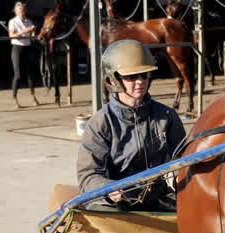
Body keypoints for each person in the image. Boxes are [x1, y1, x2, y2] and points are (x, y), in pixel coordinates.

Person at [76, 39, 187, 211]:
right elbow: (88, 175)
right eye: (131, 76)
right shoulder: (100, 123)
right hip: (117, 203)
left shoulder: (167, 116)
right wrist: (108, 188)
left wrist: (178, 175)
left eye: (144, 75)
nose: (140, 81)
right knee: (101, 218)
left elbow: (183, 159)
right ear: (112, 80)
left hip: (161, 198)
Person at [7, 1, 40, 109]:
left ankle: (33, 96)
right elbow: (12, 35)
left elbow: (32, 36)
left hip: (28, 48)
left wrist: (33, 32)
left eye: (23, 10)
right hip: (17, 48)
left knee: (30, 74)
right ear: (16, 12)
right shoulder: (13, 21)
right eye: (20, 10)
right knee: (18, 75)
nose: (22, 12)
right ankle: (14, 98)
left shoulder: (28, 21)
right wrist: (25, 31)